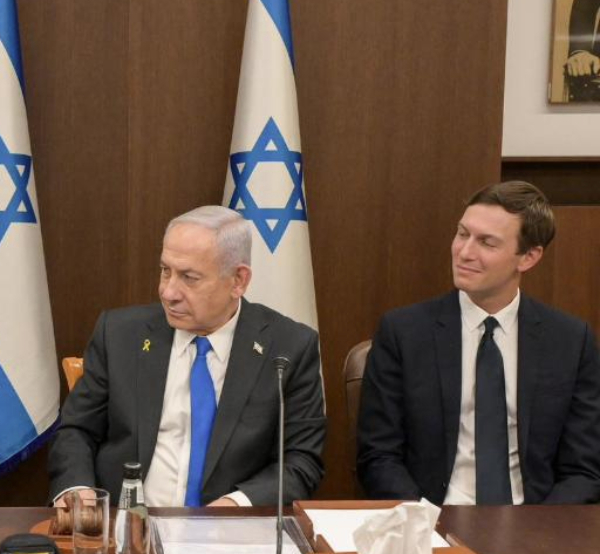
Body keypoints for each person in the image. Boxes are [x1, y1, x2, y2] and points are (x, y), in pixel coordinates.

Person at [47, 206, 326, 507]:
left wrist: (236, 506)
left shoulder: (288, 348)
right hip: (125, 529)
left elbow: (301, 461)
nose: (168, 292)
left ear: (238, 280)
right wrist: (77, 489)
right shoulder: (119, 334)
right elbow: (77, 430)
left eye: (189, 277)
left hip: (229, 538)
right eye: (165, 270)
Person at [357, 181, 600, 504]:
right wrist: (426, 524)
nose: (465, 252)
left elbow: (584, 470)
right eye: (462, 234)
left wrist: (539, 530)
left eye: (486, 242)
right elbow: (378, 456)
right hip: (432, 522)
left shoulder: (570, 340)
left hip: (535, 524)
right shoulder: (404, 332)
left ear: (528, 257)